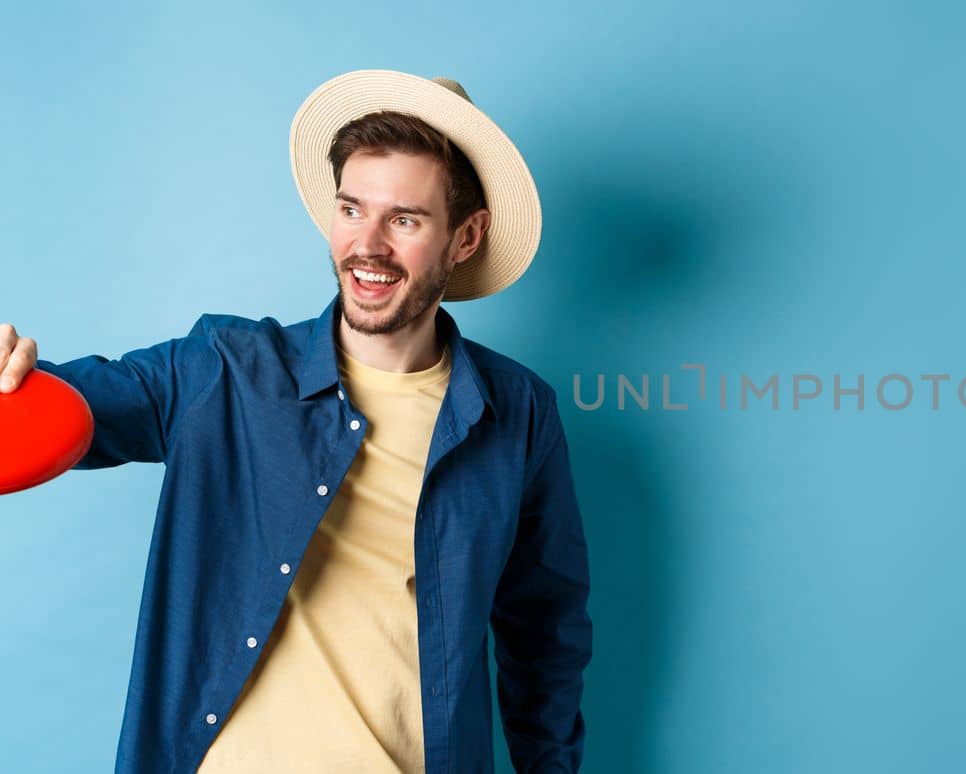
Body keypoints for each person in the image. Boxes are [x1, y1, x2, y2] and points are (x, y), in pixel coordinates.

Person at [0, 70, 591, 773]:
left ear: (466, 238)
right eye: (351, 209)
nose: (366, 245)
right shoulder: (223, 370)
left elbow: (545, 632)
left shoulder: (516, 412)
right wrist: (11, 375)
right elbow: (69, 408)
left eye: (404, 219)